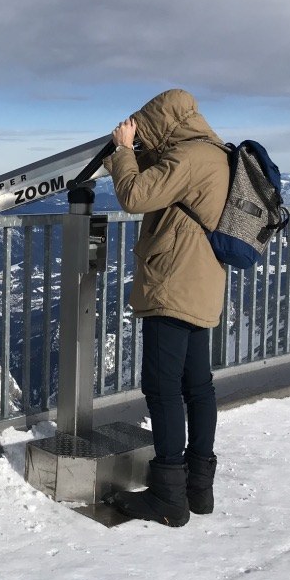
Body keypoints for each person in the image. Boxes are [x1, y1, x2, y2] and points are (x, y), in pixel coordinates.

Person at [102, 88, 229, 527]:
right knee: (198, 387)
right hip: (202, 280)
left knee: (162, 389)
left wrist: (122, 152)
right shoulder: (215, 154)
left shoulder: (189, 158)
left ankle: (168, 496)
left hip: (173, 283)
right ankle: (199, 489)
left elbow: (136, 196)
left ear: (162, 124)